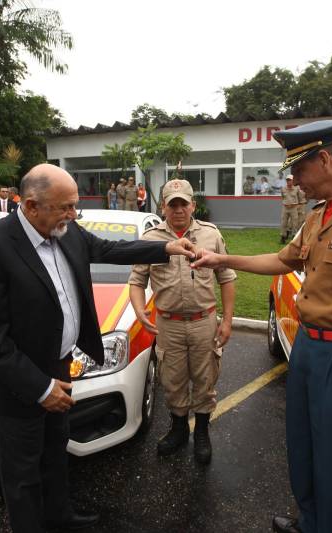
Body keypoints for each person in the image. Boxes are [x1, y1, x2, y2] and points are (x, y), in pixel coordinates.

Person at [192, 120, 332, 533]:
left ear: (325, 159)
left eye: (298, 170)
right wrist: (223, 261)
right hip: (310, 348)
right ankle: (311, 522)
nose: (295, 181)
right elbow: (284, 261)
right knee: (303, 451)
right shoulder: (319, 215)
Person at [0, 164, 197, 533]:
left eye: (75, 206)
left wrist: (166, 246)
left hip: (60, 366)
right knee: (22, 472)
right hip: (19, 382)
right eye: (65, 207)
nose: (73, 215)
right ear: (31, 205)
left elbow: (110, 248)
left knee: (55, 451)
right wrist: (40, 388)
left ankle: (59, 515)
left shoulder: (65, 231)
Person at [128, 179, 236, 464]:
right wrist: (140, 311)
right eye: (172, 204)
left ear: (193, 206)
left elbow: (226, 277)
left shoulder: (211, 235)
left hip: (204, 321)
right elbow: (137, 281)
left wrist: (227, 320)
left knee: (205, 379)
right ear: (163, 206)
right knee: (172, 380)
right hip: (168, 324)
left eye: (183, 204)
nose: (178, 209)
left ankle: (201, 431)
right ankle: (177, 430)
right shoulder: (151, 239)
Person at [279, 176, 301, 244]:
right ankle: (283, 237)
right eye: (287, 180)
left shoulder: (296, 189)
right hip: (285, 208)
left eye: (290, 180)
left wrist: (297, 205)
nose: (288, 181)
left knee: (294, 223)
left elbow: (299, 197)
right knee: (284, 223)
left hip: (293, 208)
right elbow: (282, 197)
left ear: (293, 181)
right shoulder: (283, 189)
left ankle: (294, 237)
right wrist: (286, 203)